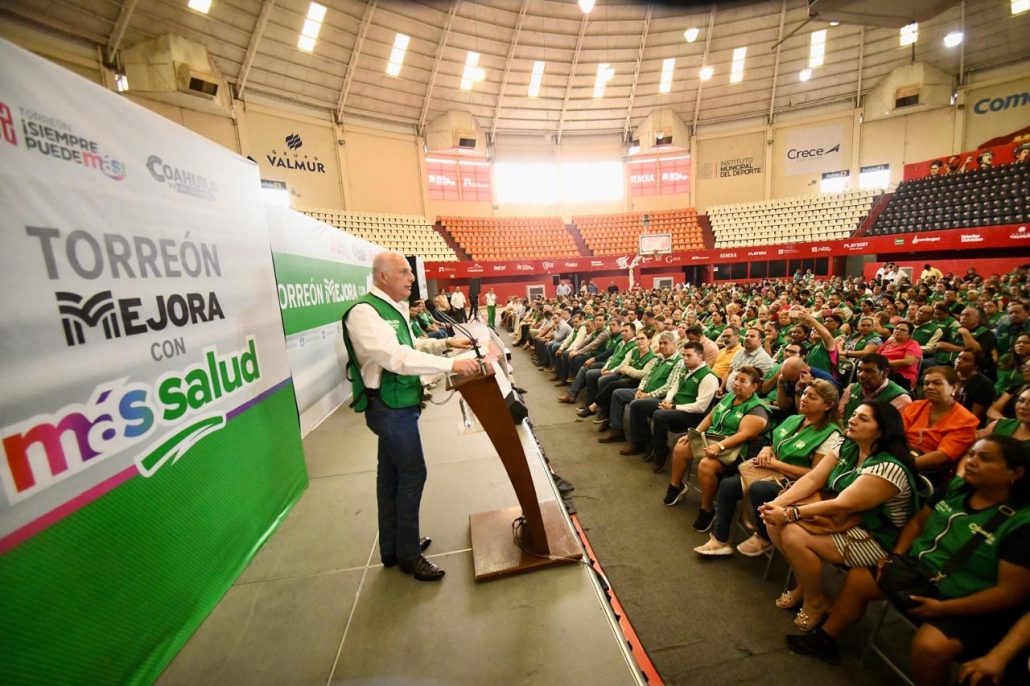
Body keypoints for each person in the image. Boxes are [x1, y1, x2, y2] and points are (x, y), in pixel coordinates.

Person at [785, 436, 1030, 682]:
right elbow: (917, 523)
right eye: (972, 454)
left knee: (929, 647)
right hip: (921, 570)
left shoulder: (1021, 524)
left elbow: (1008, 593)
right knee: (859, 580)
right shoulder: (955, 488)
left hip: (965, 598)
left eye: (985, 459)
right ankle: (825, 639)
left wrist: (943, 608)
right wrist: (896, 556)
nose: (972, 462)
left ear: (1015, 473)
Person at [342, 252, 480, 581]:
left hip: (400, 403)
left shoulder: (394, 308)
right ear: (382, 276)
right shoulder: (364, 312)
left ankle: (393, 548)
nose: (412, 278)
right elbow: (395, 357)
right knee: (413, 474)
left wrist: (447, 343)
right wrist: (451, 363)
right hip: (388, 408)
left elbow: (410, 344)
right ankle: (408, 554)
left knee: (390, 478)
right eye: (404, 272)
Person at [760, 401, 919, 632]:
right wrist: (775, 506)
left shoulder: (889, 467)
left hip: (878, 535)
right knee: (773, 523)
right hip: (843, 516)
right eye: (854, 414)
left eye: (863, 419)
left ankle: (814, 601)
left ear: (882, 431)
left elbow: (843, 503)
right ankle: (806, 585)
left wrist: (789, 513)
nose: (852, 420)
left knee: (793, 534)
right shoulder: (847, 443)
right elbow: (814, 478)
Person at [694, 380, 841, 558]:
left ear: (828, 405)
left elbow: (815, 475)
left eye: (812, 397)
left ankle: (764, 536)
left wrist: (776, 465)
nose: (804, 398)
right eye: (804, 394)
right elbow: (773, 443)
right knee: (728, 485)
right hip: (770, 471)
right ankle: (720, 540)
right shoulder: (794, 419)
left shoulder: (831, 434)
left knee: (759, 489)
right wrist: (766, 449)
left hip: (795, 484)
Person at [669, 367, 772, 532]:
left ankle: (707, 509)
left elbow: (744, 435)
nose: (736, 383)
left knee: (706, 464)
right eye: (736, 379)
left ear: (754, 387)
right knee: (682, 447)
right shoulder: (729, 397)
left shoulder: (757, 410)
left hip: (736, 451)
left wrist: (720, 446)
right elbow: (711, 417)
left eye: (743, 381)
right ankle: (676, 486)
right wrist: (694, 434)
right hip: (712, 440)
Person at [633, 341, 718, 470]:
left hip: (692, 416)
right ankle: (645, 442)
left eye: (689, 356)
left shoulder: (709, 377)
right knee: (637, 405)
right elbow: (674, 387)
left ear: (700, 357)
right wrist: (667, 400)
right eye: (684, 355)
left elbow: (700, 407)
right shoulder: (686, 369)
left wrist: (673, 407)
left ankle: (661, 452)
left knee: (659, 415)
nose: (685, 358)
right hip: (674, 406)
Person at [903, 366, 979, 488]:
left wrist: (901, 464)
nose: (929, 387)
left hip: (927, 473)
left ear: (954, 387)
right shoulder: (915, 406)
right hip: (901, 456)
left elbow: (942, 456)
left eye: (937, 383)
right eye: (926, 383)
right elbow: (896, 435)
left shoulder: (967, 421)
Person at [838, 353, 912, 425]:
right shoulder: (852, 388)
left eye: (869, 371)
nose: (861, 375)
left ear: (885, 372)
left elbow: (889, 429)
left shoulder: (901, 398)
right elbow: (839, 417)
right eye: (859, 369)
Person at [877, 320, 923, 391]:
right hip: (883, 369)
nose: (898, 331)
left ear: (909, 334)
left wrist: (885, 363)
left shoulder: (913, 344)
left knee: (875, 375)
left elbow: (909, 361)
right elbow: (876, 355)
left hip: (902, 375)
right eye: (897, 328)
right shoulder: (889, 342)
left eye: (903, 330)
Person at [954, 350, 996, 427]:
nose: (959, 361)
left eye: (966, 360)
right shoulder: (949, 376)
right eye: (959, 357)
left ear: (976, 366)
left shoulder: (984, 384)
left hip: (966, 425)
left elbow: (973, 416)